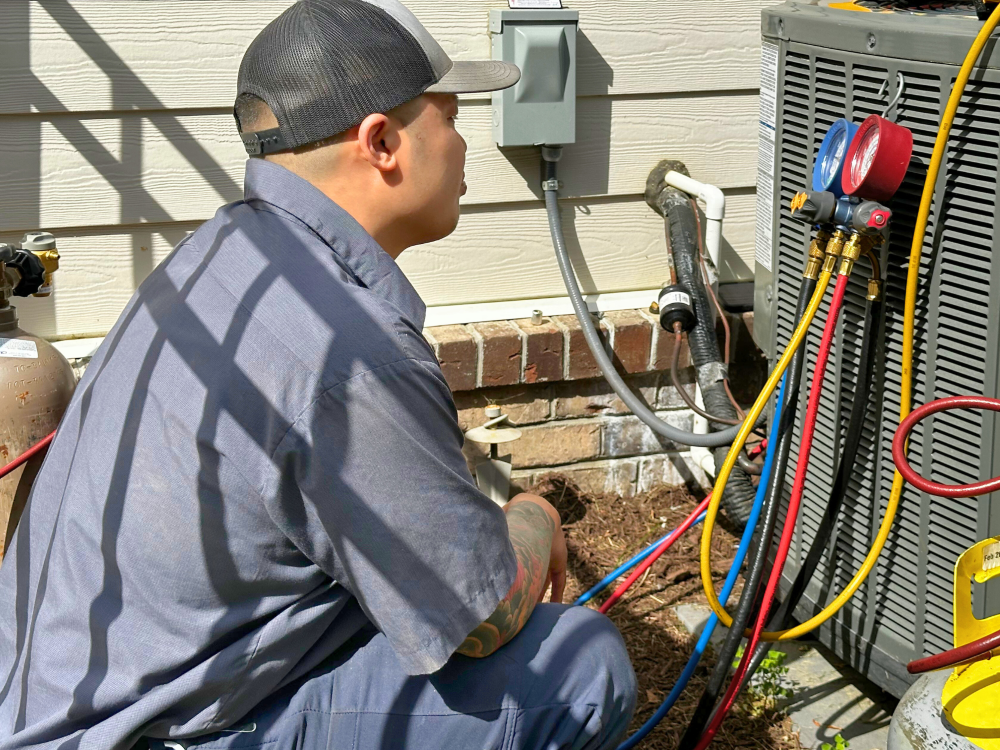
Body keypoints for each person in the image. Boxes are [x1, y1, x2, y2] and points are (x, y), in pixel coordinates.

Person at [0, 1, 637, 748]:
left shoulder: (219, 258)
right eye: (453, 118)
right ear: (382, 143)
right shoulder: (345, 352)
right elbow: (481, 615)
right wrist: (535, 516)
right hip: (138, 735)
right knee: (583, 667)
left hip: (53, 696)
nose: (464, 147)